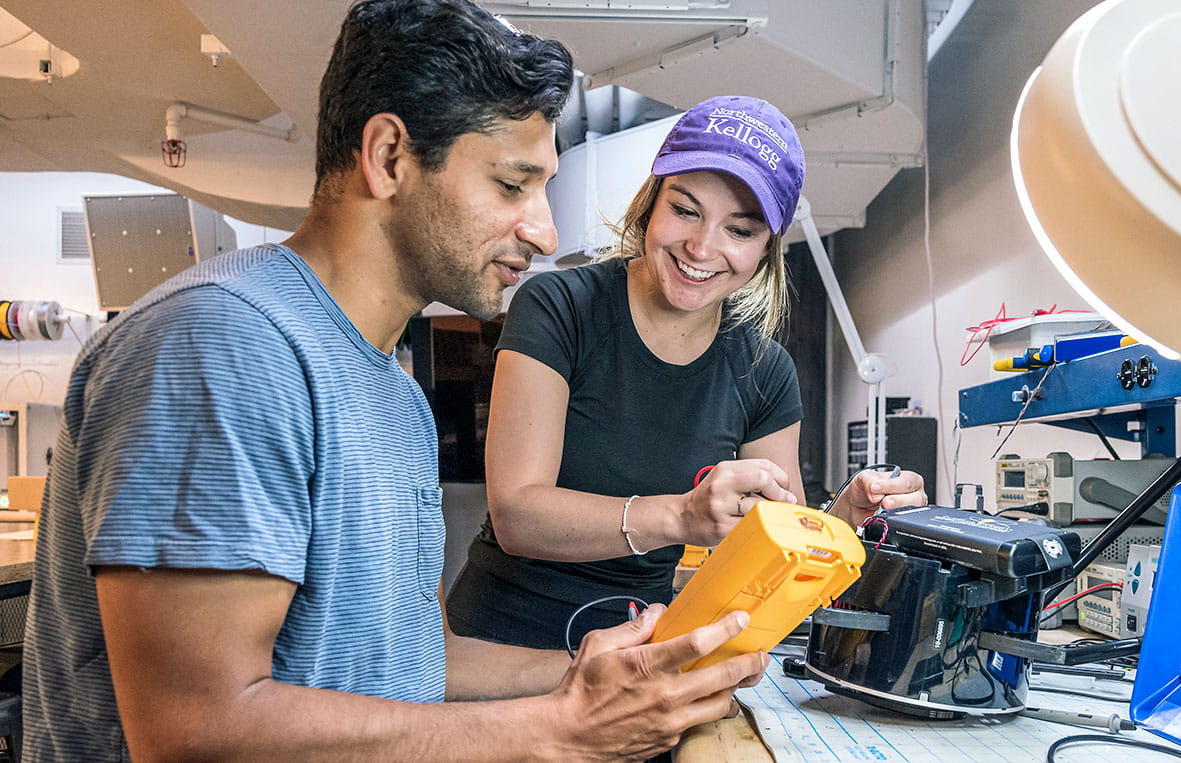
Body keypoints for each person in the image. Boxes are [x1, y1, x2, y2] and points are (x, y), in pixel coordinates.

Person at [21, 2, 766, 760]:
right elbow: (199, 732)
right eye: (513, 185)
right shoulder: (225, 343)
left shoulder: (395, 393)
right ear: (388, 157)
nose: (544, 231)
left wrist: (591, 675)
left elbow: (412, 664)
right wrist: (557, 731)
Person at [444, 95, 929, 650]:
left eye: (739, 230)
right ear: (652, 201)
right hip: (501, 645)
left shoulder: (764, 371)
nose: (701, 247)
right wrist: (681, 516)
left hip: (644, 647)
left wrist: (847, 517)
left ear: (767, 247)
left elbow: (774, 546)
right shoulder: (560, 307)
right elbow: (517, 515)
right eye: (686, 209)